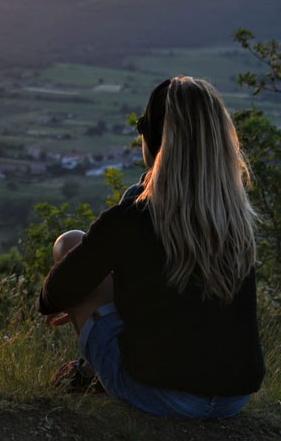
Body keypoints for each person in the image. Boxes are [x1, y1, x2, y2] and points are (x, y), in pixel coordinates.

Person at [38, 76, 265, 418]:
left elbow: (53, 293)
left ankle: (91, 374)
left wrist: (88, 300)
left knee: (69, 242)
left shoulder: (133, 218)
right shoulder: (235, 219)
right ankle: (90, 370)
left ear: (154, 140)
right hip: (234, 399)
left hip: (161, 395)